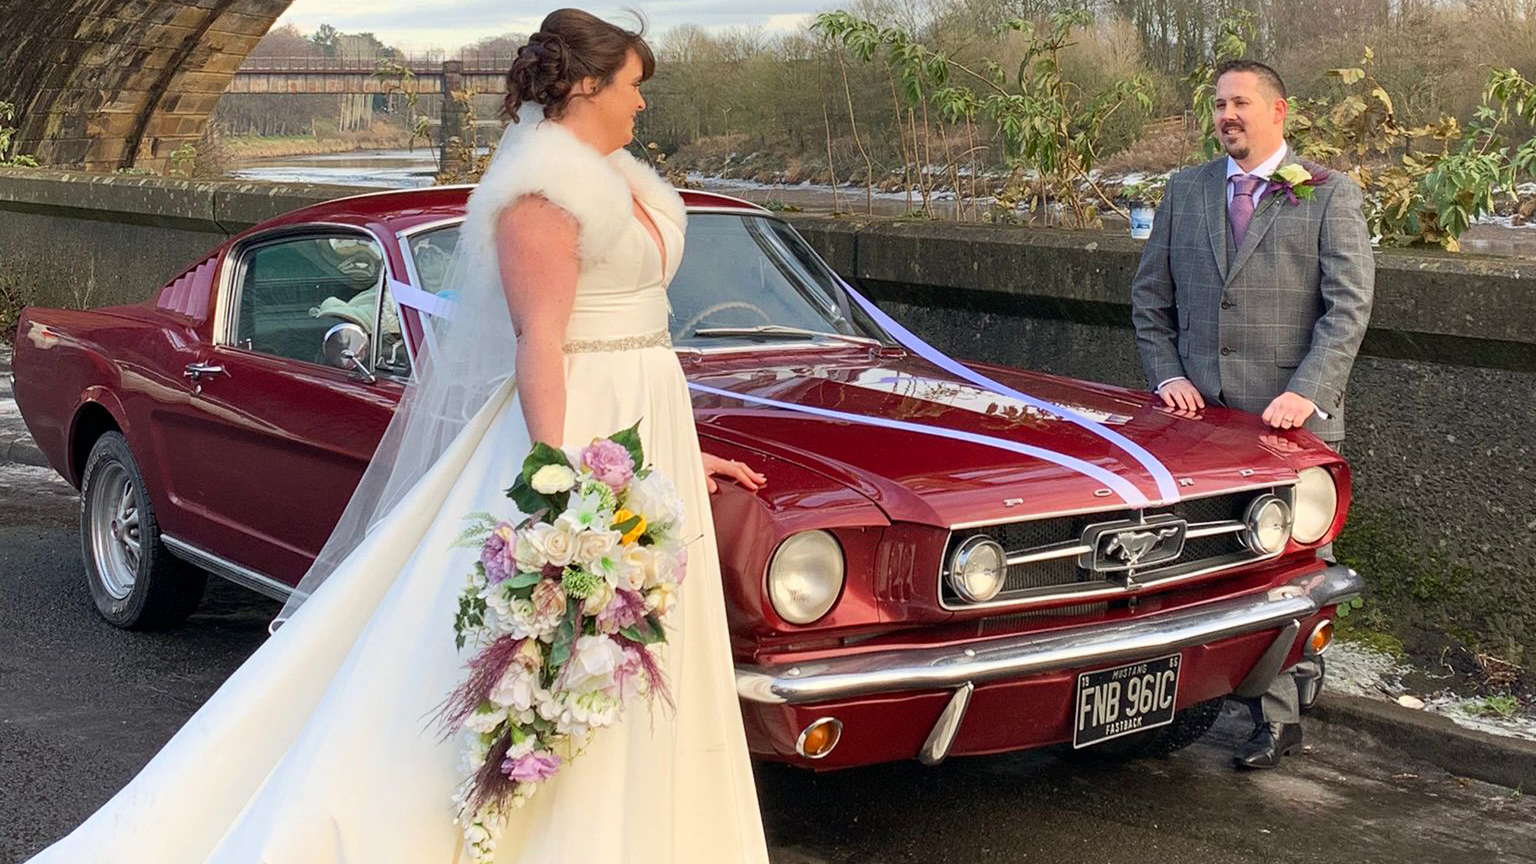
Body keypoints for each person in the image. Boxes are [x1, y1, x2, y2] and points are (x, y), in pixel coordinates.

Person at [26, 9, 772, 861]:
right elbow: (541, 341)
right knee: (545, 644)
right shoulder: (544, 194)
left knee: (644, 648)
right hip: (575, 438)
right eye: (634, 86)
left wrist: (681, 446)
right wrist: (560, 482)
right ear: (584, 85)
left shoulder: (623, 179)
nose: (643, 105)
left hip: (645, 422)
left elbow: (639, 341)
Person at [1129, 59, 1373, 770]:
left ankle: (1280, 716)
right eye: (1217, 105)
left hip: (1290, 422)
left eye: (1239, 103)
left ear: (1278, 111)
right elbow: (1151, 302)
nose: (1226, 115)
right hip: (1199, 424)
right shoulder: (1185, 191)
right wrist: (1168, 374)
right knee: (1202, 565)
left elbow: (1348, 309)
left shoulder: (1329, 195)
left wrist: (1308, 389)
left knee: (1292, 569)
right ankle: (1188, 694)